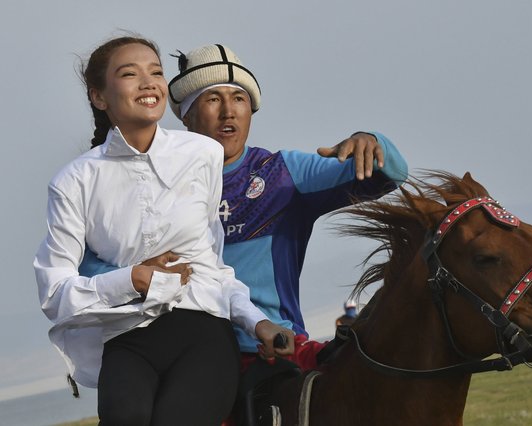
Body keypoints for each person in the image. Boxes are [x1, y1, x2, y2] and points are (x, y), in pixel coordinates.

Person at [80, 44, 408, 372]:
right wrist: (136, 275)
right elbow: (91, 271)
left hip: (275, 348)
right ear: (188, 117)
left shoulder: (283, 174)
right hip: (184, 356)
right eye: (212, 99)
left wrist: (371, 140)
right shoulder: (150, 184)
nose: (228, 111)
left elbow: (389, 174)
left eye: (239, 98)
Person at [34, 36, 293, 426]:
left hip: (203, 332)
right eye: (129, 74)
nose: (148, 82)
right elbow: (55, 293)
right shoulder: (73, 181)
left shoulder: (202, 155)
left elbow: (211, 267)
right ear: (99, 97)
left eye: (155, 72)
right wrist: (133, 278)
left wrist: (257, 322)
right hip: (126, 339)